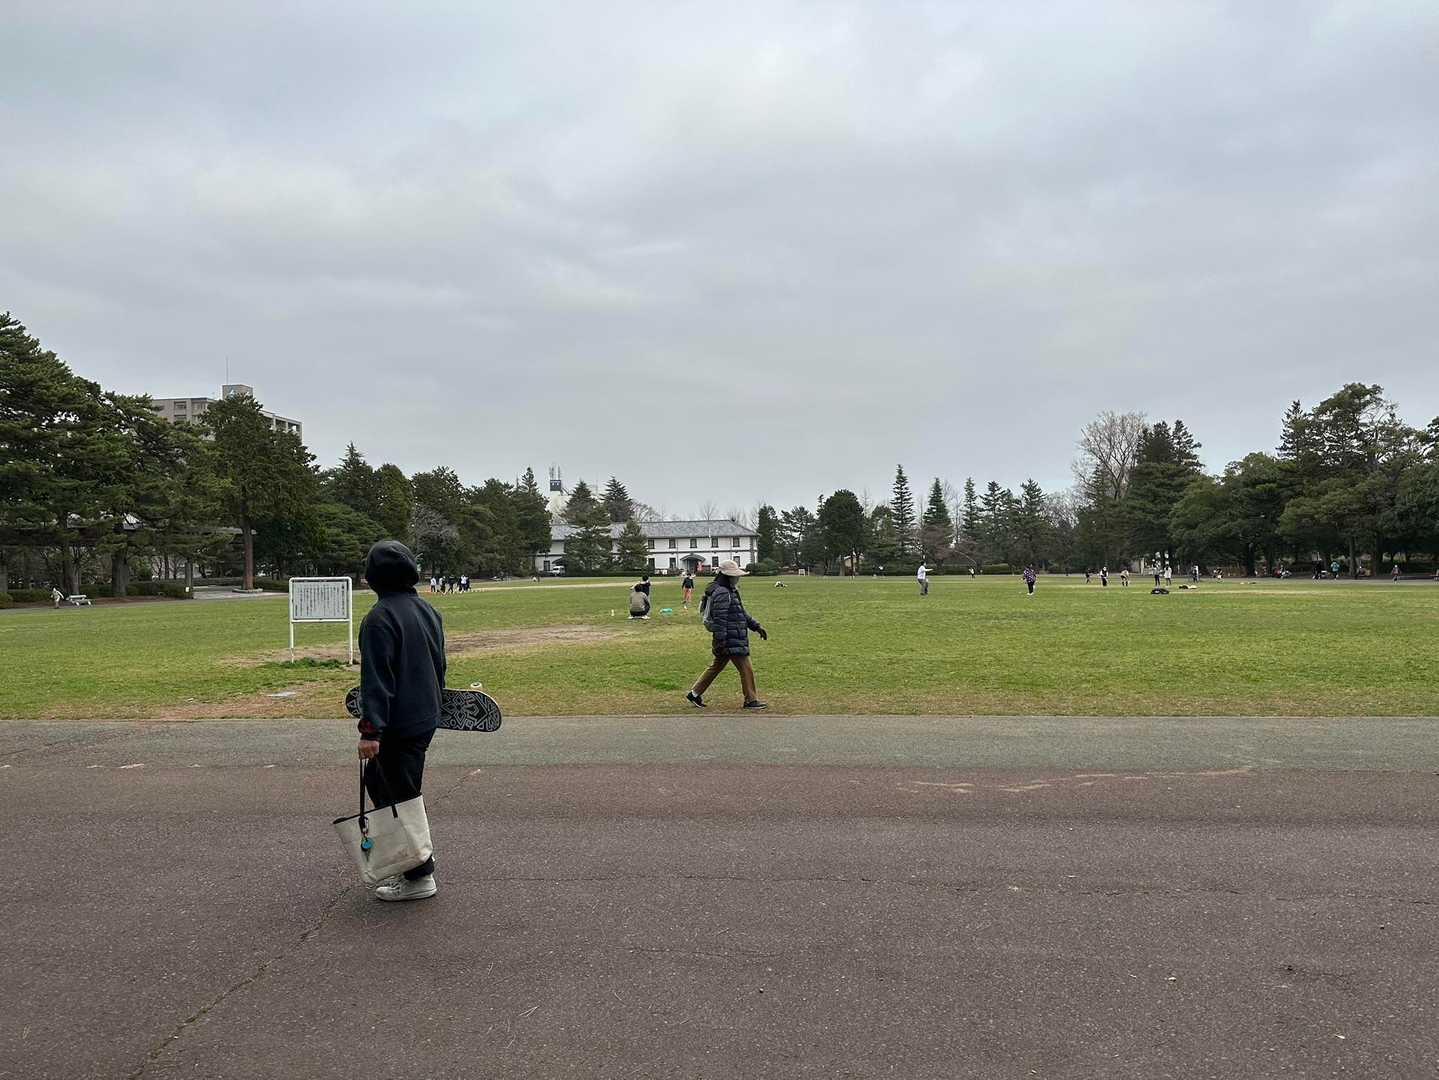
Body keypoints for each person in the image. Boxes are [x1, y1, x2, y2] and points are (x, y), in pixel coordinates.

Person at [355, 540, 447, 902]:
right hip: (424, 716)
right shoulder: (427, 610)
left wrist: (370, 731)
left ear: (374, 577)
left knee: (400, 797)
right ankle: (411, 862)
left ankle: (419, 875)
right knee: (384, 785)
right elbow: (439, 665)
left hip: (398, 724)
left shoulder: (379, 618)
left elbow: (377, 681)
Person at [686, 560, 768, 710]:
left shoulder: (729, 590)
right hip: (730, 638)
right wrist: (721, 640)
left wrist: (756, 627)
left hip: (730, 636)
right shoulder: (723, 592)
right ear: (727, 576)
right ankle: (751, 700)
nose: (737, 578)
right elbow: (720, 619)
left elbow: (740, 613)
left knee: (716, 667)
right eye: (735, 576)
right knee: (746, 668)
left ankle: (694, 693)